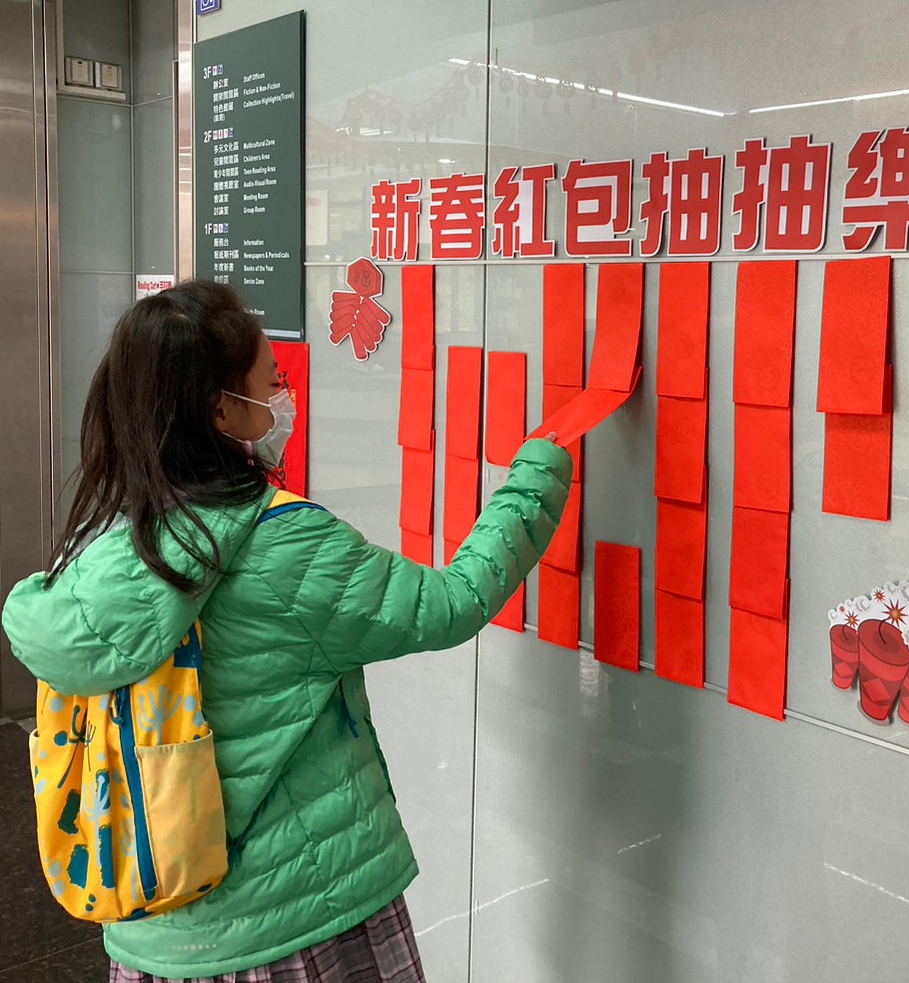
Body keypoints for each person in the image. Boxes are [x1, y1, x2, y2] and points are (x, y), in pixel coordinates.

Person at [1, 280, 573, 983]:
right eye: (272, 382)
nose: (285, 397)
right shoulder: (284, 544)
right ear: (220, 408)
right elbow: (450, 603)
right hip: (298, 915)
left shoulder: (101, 538)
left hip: (155, 926)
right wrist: (537, 473)